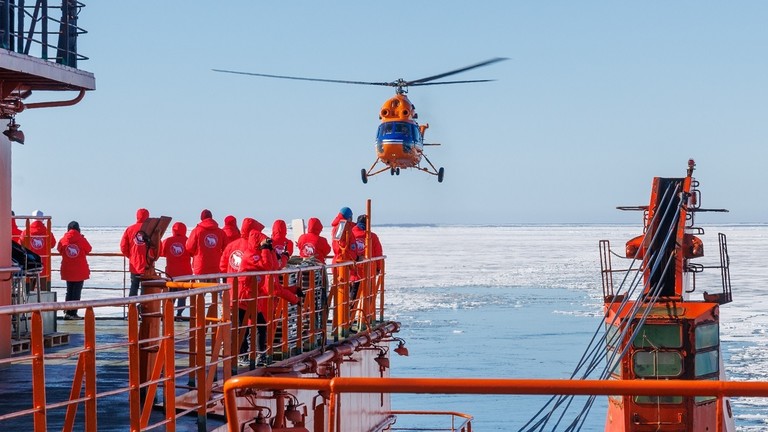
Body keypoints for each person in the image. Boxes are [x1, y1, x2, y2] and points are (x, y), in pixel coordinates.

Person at [57, 221, 92, 320]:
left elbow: (59, 249)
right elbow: (89, 249)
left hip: (67, 269)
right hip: (79, 270)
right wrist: (82, 238)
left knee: (69, 291)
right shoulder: (81, 239)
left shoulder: (64, 239)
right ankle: (73, 313)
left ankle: (67, 311)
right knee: (76, 292)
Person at [161, 222, 193, 319]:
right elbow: (193, 252)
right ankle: (179, 313)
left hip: (171, 273)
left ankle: (168, 313)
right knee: (182, 295)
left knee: (171, 294)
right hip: (185, 273)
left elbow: (162, 253)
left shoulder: (167, 241)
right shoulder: (188, 241)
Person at [350, 214, 383, 300]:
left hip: (353, 272)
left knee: (352, 297)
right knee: (368, 300)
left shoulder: (349, 235)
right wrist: (378, 268)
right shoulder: (373, 237)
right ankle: (367, 312)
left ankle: (350, 311)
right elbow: (378, 253)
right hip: (369, 272)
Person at [120, 208, 151, 297]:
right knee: (145, 287)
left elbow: (123, 246)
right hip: (147, 264)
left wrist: (131, 256)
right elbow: (158, 246)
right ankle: (143, 308)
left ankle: (131, 307)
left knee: (134, 285)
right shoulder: (151, 229)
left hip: (135, 263)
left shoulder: (130, 229)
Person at [186, 209, 226, 277]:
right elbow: (226, 248)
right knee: (215, 287)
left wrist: (195, 253)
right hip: (215, 266)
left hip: (200, 266)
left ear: (201, 218)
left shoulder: (196, 231)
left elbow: (189, 247)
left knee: (200, 287)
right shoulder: (220, 232)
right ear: (211, 217)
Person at [20, 209, 56, 284]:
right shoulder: (48, 232)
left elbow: (20, 244)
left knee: (29, 288)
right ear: (43, 219)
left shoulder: (26, 232)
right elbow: (52, 244)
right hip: (44, 264)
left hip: (30, 263)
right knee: (44, 288)